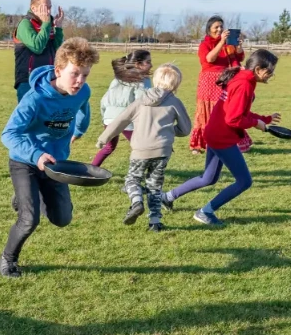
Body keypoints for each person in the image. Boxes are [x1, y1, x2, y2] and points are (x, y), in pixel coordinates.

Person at [0, 38, 99, 278]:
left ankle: (26, 196)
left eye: (85, 75)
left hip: (56, 163)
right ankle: (7, 260)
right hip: (25, 160)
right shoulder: (35, 99)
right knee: (29, 220)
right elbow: (8, 134)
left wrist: (79, 130)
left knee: (62, 219)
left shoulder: (82, 91)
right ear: (58, 70)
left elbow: (83, 108)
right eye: (74, 74)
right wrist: (35, 154)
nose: (80, 81)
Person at [162, 50, 280, 226]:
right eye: (269, 71)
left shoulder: (242, 78)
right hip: (222, 137)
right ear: (257, 69)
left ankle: (167, 197)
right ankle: (205, 212)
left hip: (214, 132)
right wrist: (256, 123)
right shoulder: (244, 84)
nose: (271, 75)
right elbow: (234, 119)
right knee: (244, 181)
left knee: (208, 178)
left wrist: (265, 119)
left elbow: (239, 111)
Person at [96, 64, 191, 232]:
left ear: (155, 80)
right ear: (176, 83)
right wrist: (168, 131)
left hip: (140, 150)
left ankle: (136, 202)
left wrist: (104, 138)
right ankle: (155, 222)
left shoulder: (140, 100)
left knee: (132, 180)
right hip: (162, 151)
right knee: (155, 186)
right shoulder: (175, 102)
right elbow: (185, 129)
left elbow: (121, 120)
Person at [189, 16, 245, 154]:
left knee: (225, 109)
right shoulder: (205, 44)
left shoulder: (228, 45)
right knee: (206, 111)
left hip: (226, 80)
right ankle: (200, 144)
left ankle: (227, 140)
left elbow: (239, 58)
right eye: (216, 27)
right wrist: (221, 42)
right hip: (209, 82)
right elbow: (209, 58)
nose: (219, 29)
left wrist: (238, 46)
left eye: (221, 27)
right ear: (209, 29)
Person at [91, 50, 153, 167]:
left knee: (109, 147)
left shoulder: (117, 79)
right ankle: (143, 172)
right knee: (140, 148)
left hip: (109, 118)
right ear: (137, 64)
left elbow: (103, 100)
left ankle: (91, 169)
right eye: (148, 62)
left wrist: (105, 118)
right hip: (127, 120)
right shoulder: (142, 80)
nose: (151, 65)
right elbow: (143, 102)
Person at [13, 0, 65, 101]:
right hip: (28, 80)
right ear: (33, 8)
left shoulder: (49, 24)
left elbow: (57, 49)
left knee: (49, 111)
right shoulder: (25, 24)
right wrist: (46, 24)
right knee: (30, 111)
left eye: (50, 7)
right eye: (45, 7)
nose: (49, 11)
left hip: (49, 79)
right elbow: (37, 47)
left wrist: (58, 28)